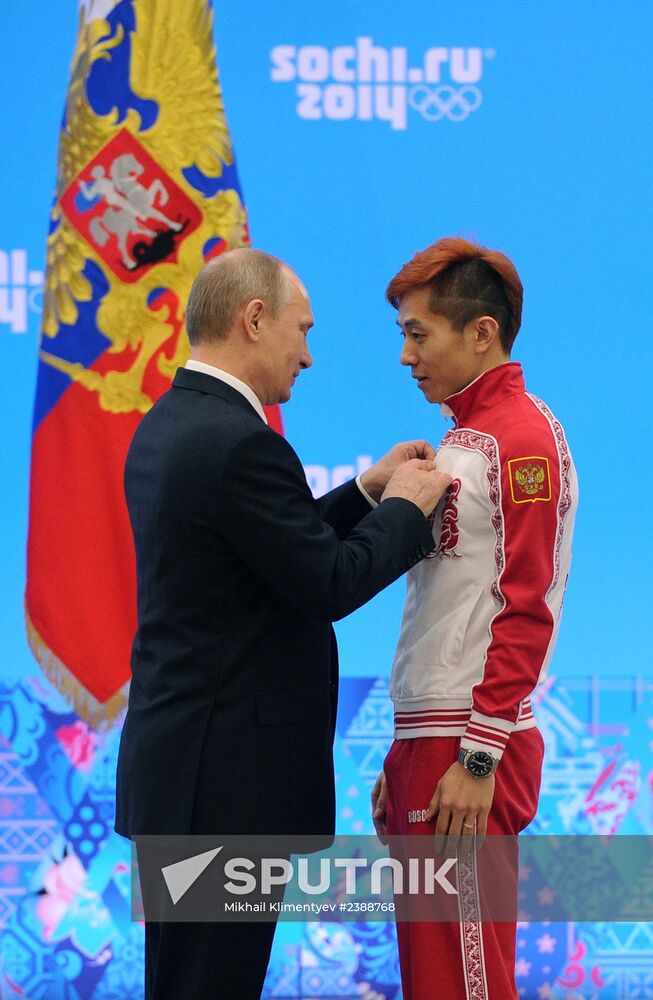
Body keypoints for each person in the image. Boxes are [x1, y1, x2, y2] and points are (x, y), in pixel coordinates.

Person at [114, 247, 453, 1000]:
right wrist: (405, 508)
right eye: (302, 330)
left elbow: (268, 552)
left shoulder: (172, 422)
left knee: (186, 982)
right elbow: (326, 581)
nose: (307, 355)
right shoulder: (241, 441)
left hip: (185, 778)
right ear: (254, 318)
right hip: (225, 790)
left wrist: (364, 493)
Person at [372, 236, 578, 999]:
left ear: (481, 332)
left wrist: (479, 755)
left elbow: (530, 604)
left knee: (465, 982)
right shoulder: (461, 440)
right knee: (436, 978)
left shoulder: (520, 441)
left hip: (467, 745)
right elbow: (448, 606)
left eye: (417, 333)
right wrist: (405, 750)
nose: (405, 356)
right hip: (433, 740)